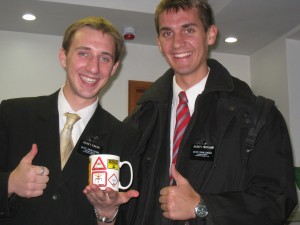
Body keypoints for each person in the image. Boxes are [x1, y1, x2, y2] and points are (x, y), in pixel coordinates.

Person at [87, 0, 297, 224]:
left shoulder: (257, 115)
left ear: (210, 34)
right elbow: (131, 206)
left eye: (188, 29)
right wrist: (108, 212)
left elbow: (277, 202)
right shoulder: (140, 120)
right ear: (159, 43)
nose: (178, 43)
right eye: (168, 33)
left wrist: (203, 207)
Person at [0, 16, 140, 225]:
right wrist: (9, 183)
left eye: (104, 58)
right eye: (84, 53)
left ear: (114, 68)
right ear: (63, 57)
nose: (93, 68)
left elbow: (129, 217)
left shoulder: (125, 137)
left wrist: (107, 214)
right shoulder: (12, 114)